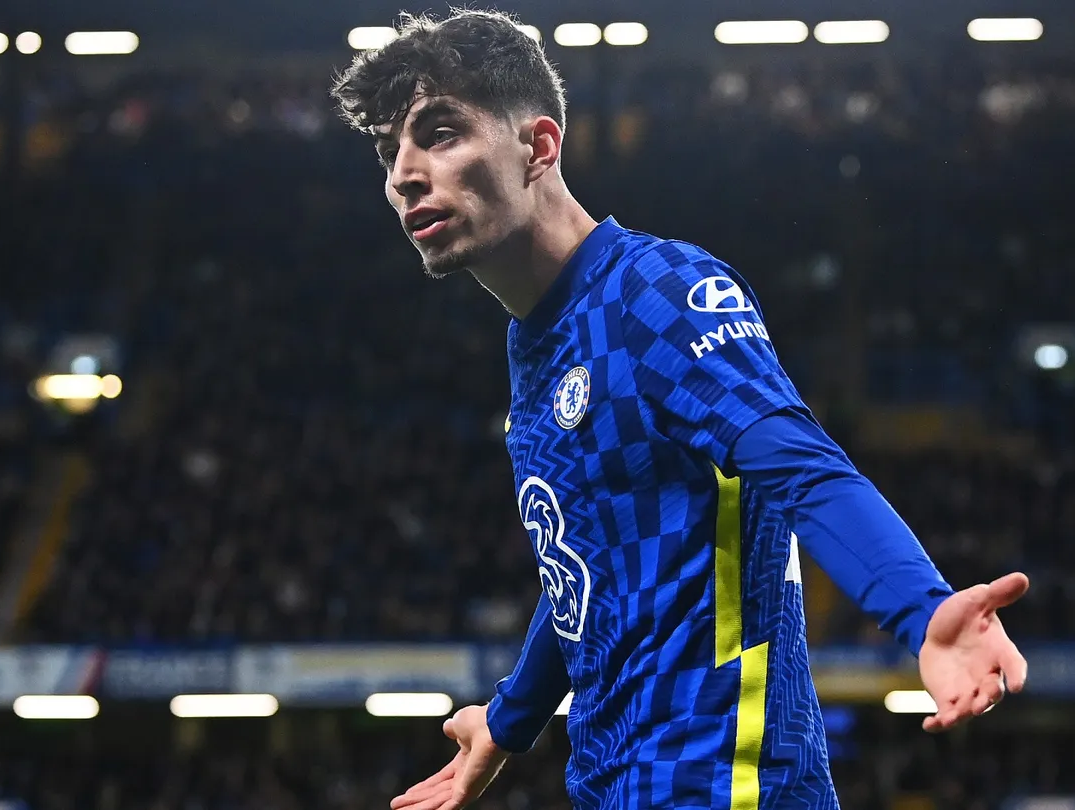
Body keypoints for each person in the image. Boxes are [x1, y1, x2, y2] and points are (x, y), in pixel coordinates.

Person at [330, 9, 1029, 810]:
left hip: (723, 784)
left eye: (440, 134)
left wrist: (922, 609)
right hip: (617, 785)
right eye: (389, 151)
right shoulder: (538, 341)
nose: (404, 173)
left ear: (539, 147)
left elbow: (801, 465)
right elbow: (589, 567)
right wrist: (510, 718)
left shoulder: (659, 291)